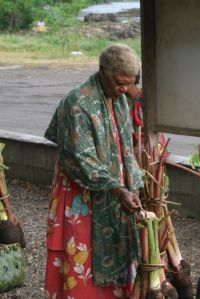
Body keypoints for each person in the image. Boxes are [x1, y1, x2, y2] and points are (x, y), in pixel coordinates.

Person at [44, 43, 144, 298]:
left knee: (118, 250)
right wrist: (118, 188)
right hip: (83, 194)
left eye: (128, 83)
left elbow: (126, 147)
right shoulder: (77, 103)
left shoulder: (118, 98)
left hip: (115, 189)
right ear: (102, 71)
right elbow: (81, 158)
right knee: (83, 255)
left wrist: (135, 182)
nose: (124, 89)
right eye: (119, 82)